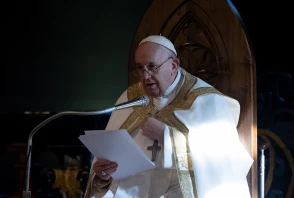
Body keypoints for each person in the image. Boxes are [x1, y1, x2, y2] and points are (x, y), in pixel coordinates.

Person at [84, 35, 254, 198]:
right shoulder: (131, 98)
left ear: (173, 65)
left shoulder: (206, 101)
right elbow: (106, 163)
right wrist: (102, 176)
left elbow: (224, 163)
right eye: (140, 68)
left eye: (152, 66)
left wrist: (167, 136)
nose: (145, 76)